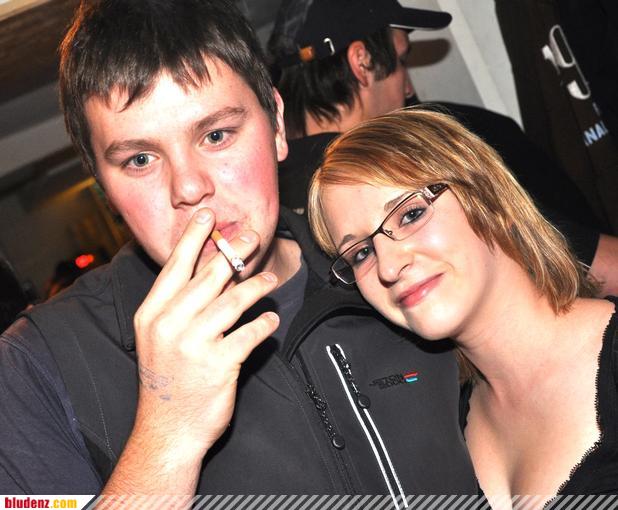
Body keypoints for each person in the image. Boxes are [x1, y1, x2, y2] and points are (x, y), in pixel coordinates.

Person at [0, 0, 477, 499]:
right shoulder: (36, 366)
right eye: (140, 159)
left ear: (277, 125)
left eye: (216, 135)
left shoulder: (395, 264)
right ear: (104, 186)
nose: (189, 188)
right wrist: (168, 437)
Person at [308, 108, 618, 498]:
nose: (388, 266)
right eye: (361, 253)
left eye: (411, 214)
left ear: (490, 198)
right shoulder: (445, 427)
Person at [267, 0, 618, 297]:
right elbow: (600, 265)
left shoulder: (275, 198)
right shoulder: (405, 164)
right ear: (363, 62)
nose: (408, 89)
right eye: (401, 61)